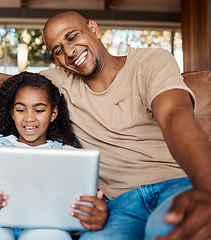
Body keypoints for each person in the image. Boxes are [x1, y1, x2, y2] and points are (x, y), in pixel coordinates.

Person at [40, 11, 211, 240]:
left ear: (94, 29)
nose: (69, 52)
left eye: (72, 37)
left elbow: (173, 115)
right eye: (58, 50)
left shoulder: (150, 61)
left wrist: (206, 186)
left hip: (177, 186)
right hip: (120, 205)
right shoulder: (57, 83)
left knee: (166, 228)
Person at [0, 72, 108, 240]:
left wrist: (97, 211)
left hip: (47, 226)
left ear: (53, 113)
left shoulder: (69, 155)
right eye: (21, 109)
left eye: (39, 110)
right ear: (12, 113)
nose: (29, 118)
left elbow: (89, 200)